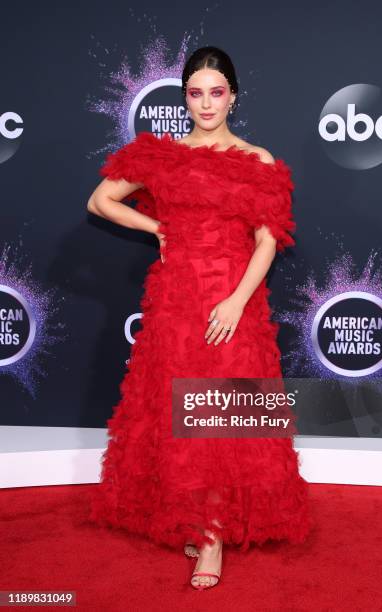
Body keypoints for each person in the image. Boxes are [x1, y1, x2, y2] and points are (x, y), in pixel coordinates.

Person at [86, 45, 313, 590]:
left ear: (233, 96)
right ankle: (200, 522)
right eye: (195, 93)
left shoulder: (257, 159)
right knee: (178, 416)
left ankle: (211, 542)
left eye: (217, 92)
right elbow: (100, 201)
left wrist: (236, 301)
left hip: (233, 301)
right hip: (176, 302)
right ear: (184, 98)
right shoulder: (161, 156)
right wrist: (156, 229)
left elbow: (268, 240)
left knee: (217, 414)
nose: (206, 103)